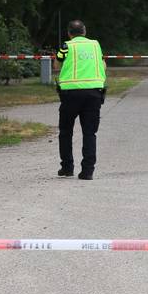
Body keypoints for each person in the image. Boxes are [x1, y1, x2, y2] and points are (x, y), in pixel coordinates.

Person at [55, 20, 106, 181]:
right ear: (84, 32)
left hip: (71, 94)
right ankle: (87, 171)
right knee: (90, 132)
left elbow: (57, 65)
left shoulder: (66, 46)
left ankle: (67, 167)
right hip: (94, 94)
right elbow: (103, 65)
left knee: (65, 132)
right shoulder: (95, 45)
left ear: (69, 33)